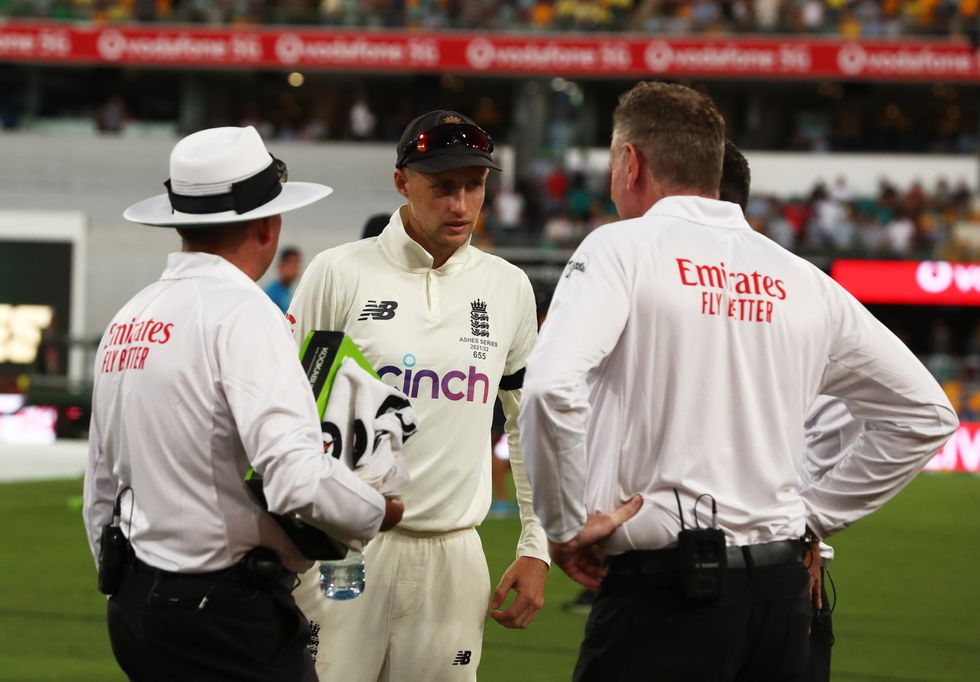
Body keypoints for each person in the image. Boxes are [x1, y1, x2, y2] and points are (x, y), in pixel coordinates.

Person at [519, 82, 958, 682]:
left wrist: (566, 525)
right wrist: (814, 515)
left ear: (631, 163)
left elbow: (550, 388)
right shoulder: (803, 279)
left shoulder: (623, 248)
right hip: (782, 600)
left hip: (665, 593)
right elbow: (926, 414)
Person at [82, 126, 405, 682]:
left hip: (136, 607)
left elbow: (100, 489)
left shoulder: (129, 317)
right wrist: (379, 509)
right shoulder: (244, 313)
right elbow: (295, 477)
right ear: (268, 224)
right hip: (226, 612)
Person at [287, 110, 550, 681]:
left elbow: (525, 424)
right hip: (345, 554)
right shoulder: (338, 273)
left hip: (455, 556)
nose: (460, 205)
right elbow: (286, 415)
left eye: (473, 187)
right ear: (402, 182)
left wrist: (536, 545)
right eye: (443, 187)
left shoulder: (508, 287)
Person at [722, 139, 839, 682]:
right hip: (783, 573)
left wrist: (811, 525)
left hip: (684, 580)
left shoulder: (644, 280)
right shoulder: (802, 287)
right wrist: (812, 523)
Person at [264, 246, 302, 312]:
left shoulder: (288, 291)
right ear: (281, 265)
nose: (295, 268)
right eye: (291, 263)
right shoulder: (271, 294)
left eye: (297, 263)